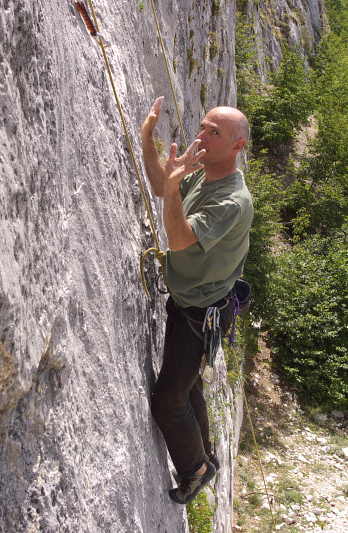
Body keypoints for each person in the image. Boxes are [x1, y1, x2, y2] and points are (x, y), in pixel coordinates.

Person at [140, 97, 254, 505]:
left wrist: (173, 184)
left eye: (214, 133)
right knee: (188, 388)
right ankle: (205, 455)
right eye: (203, 126)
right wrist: (147, 140)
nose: (201, 137)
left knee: (168, 400)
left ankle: (195, 471)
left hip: (201, 313)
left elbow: (180, 238)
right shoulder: (204, 173)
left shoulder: (233, 201)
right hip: (191, 302)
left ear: (237, 147)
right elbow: (160, 185)